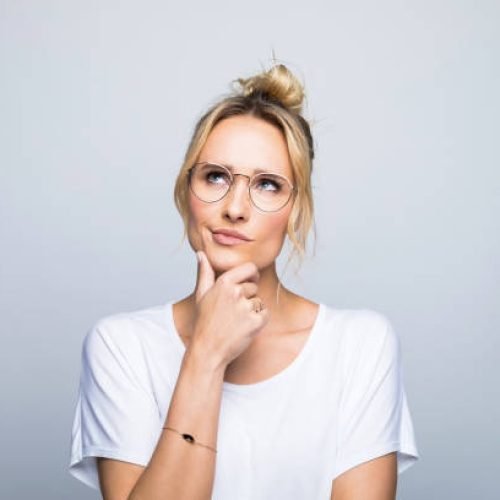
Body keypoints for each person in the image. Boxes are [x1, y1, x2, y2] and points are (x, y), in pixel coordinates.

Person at [68, 62, 419, 499]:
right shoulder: (121, 347)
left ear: (296, 210)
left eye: (268, 185)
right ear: (186, 191)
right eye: (215, 176)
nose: (235, 207)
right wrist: (207, 353)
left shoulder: (360, 345)